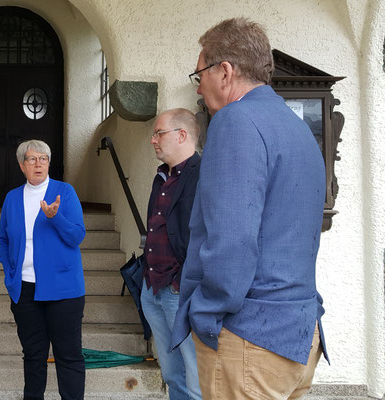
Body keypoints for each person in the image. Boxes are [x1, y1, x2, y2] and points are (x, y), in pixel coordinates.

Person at [171, 18, 327, 400]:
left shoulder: (235, 121)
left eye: (200, 73)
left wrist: (206, 314)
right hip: (300, 333)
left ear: (224, 71)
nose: (199, 84)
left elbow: (232, 240)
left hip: (250, 340)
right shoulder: (296, 127)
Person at [0, 139, 86, 400]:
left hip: (64, 290)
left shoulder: (64, 192)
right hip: (24, 289)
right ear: (22, 165)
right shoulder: (13, 198)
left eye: (44, 159)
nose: (38, 164)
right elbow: (2, 237)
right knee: (34, 355)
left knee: (68, 356)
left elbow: (77, 236)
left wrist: (54, 217)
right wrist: (9, 271)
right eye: (32, 159)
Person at [141, 108, 201, 400]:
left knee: (196, 377)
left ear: (182, 135)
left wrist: (181, 281)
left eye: (158, 133)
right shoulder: (161, 178)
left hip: (180, 292)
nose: (153, 140)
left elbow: (208, 234)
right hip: (152, 287)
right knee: (172, 373)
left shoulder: (203, 174)